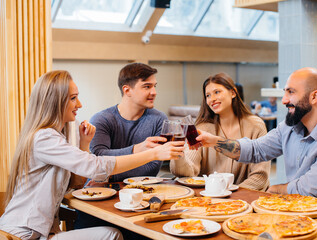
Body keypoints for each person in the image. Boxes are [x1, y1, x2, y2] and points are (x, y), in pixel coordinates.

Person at [0, 70, 184, 240]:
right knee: (111, 235)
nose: (79, 104)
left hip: (41, 231)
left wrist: (84, 144)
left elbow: (78, 182)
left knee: (112, 233)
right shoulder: (44, 138)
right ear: (55, 101)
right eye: (73, 98)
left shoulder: (54, 136)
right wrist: (153, 154)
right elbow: (95, 167)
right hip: (23, 234)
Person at [196, 67, 317, 206]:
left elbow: (307, 189)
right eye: (285, 92)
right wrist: (213, 141)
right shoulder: (289, 127)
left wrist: (273, 190)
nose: (284, 100)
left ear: (314, 97)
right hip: (296, 212)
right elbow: (256, 149)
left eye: (291, 92)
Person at [170, 72, 271, 191]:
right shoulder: (202, 128)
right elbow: (187, 173)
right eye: (207, 95)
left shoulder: (255, 126)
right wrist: (178, 155)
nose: (212, 99)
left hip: (242, 199)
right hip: (208, 198)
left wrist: (228, 195)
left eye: (217, 92)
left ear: (233, 93)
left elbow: (260, 177)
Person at [89, 62, 167, 182]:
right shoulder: (101, 119)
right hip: (101, 191)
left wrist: (109, 173)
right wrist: (137, 149)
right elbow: (98, 160)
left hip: (143, 191)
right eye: (147, 86)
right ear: (127, 90)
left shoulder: (159, 119)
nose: (154, 92)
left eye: (154, 86)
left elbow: (152, 167)